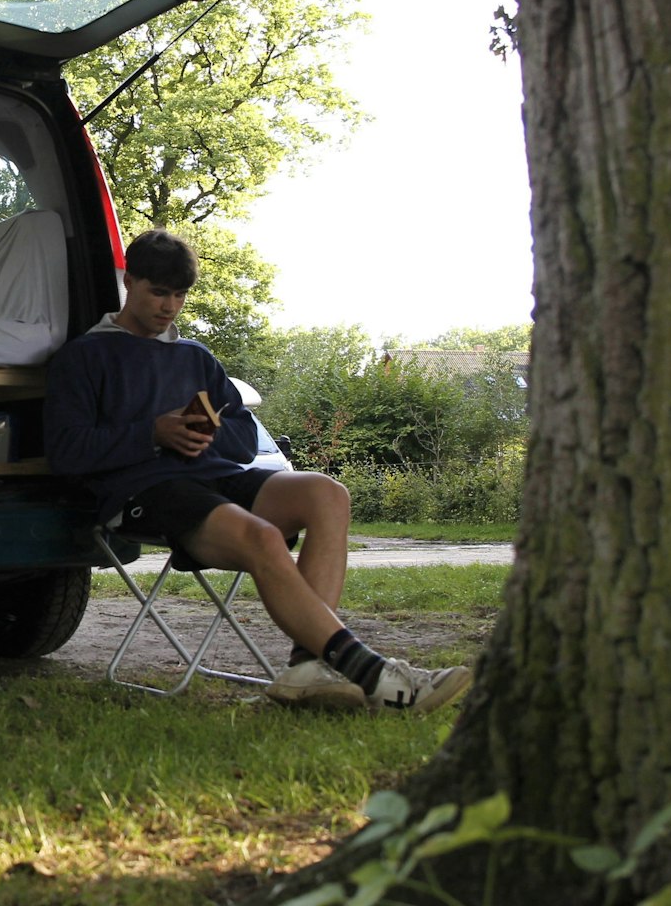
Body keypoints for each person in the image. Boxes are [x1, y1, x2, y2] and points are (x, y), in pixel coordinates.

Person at [45, 230, 473, 712]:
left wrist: (203, 433)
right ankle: (373, 673)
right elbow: (65, 452)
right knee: (264, 537)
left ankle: (307, 666)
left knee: (327, 494)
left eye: (180, 295)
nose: (169, 306)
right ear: (130, 281)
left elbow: (243, 438)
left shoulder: (196, 357)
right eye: (158, 292)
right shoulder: (84, 356)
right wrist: (153, 433)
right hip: (145, 490)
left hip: (216, 474)